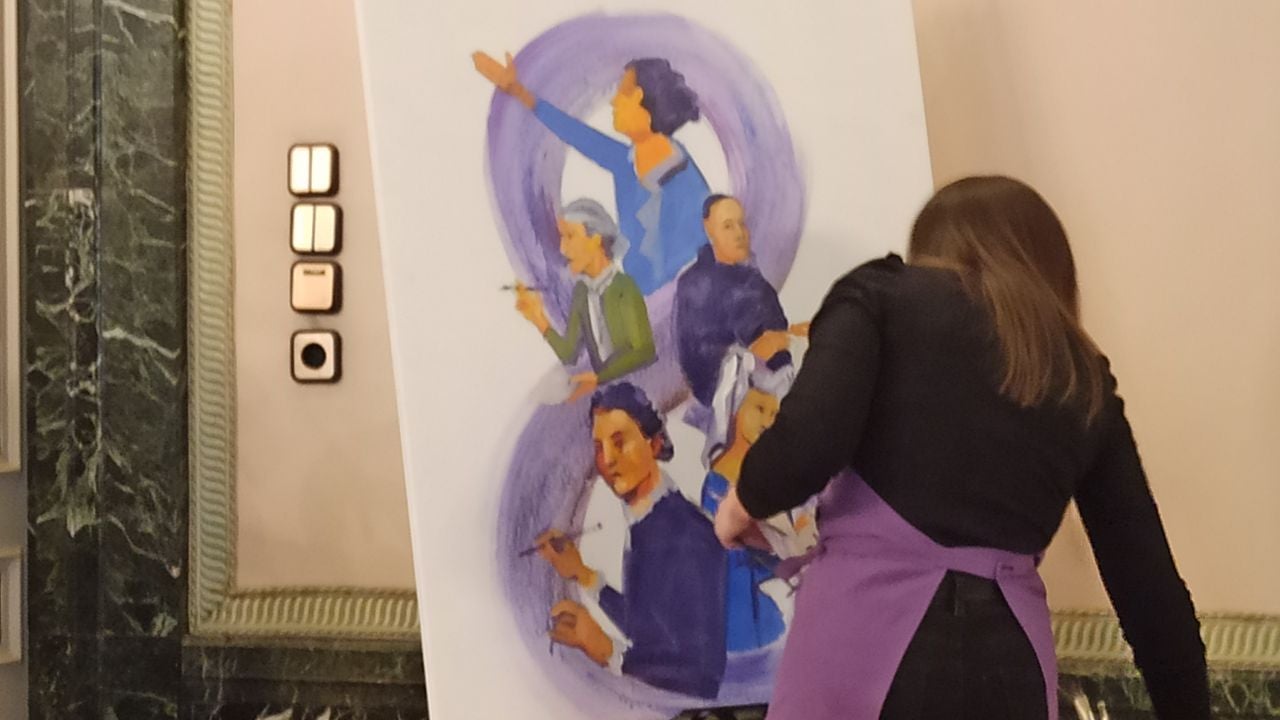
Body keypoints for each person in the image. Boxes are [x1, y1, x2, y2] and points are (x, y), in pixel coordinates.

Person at [712, 176, 1209, 719]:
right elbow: (1149, 591)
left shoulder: (880, 297)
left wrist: (744, 501)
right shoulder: (1077, 370)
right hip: (1010, 664)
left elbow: (809, 442)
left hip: (865, 641)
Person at [537, 382, 728, 699]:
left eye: (619, 442)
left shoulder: (689, 537)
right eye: (599, 448)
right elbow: (651, 629)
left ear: (654, 443)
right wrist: (584, 574)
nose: (608, 460)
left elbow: (702, 674)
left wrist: (608, 650)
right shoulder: (649, 524)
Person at [474, 51, 710, 295]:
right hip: (640, 300)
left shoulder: (683, 179)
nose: (613, 102)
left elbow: (697, 257)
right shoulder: (626, 162)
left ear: (642, 100)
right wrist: (517, 91)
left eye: (623, 93)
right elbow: (576, 133)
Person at [700, 373, 809, 654]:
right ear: (735, 409)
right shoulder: (717, 485)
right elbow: (739, 559)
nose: (766, 422)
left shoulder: (767, 481)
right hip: (743, 617)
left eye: (774, 414)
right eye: (759, 408)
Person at [675, 194, 807, 415]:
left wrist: (788, 337)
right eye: (728, 226)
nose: (739, 234)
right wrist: (777, 344)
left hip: (774, 376)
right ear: (709, 229)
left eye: (741, 224)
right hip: (737, 393)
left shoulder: (752, 279)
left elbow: (775, 333)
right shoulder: (697, 285)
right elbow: (704, 360)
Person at [515, 199, 656, 402]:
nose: (563, 249)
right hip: (608, 396)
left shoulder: (624, 287)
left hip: (638, 393)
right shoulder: (581, 293)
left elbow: (644, 351)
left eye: (570, 236)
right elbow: (569, 354)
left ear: (596, 238)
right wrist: (538, 318)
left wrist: (600, 378)